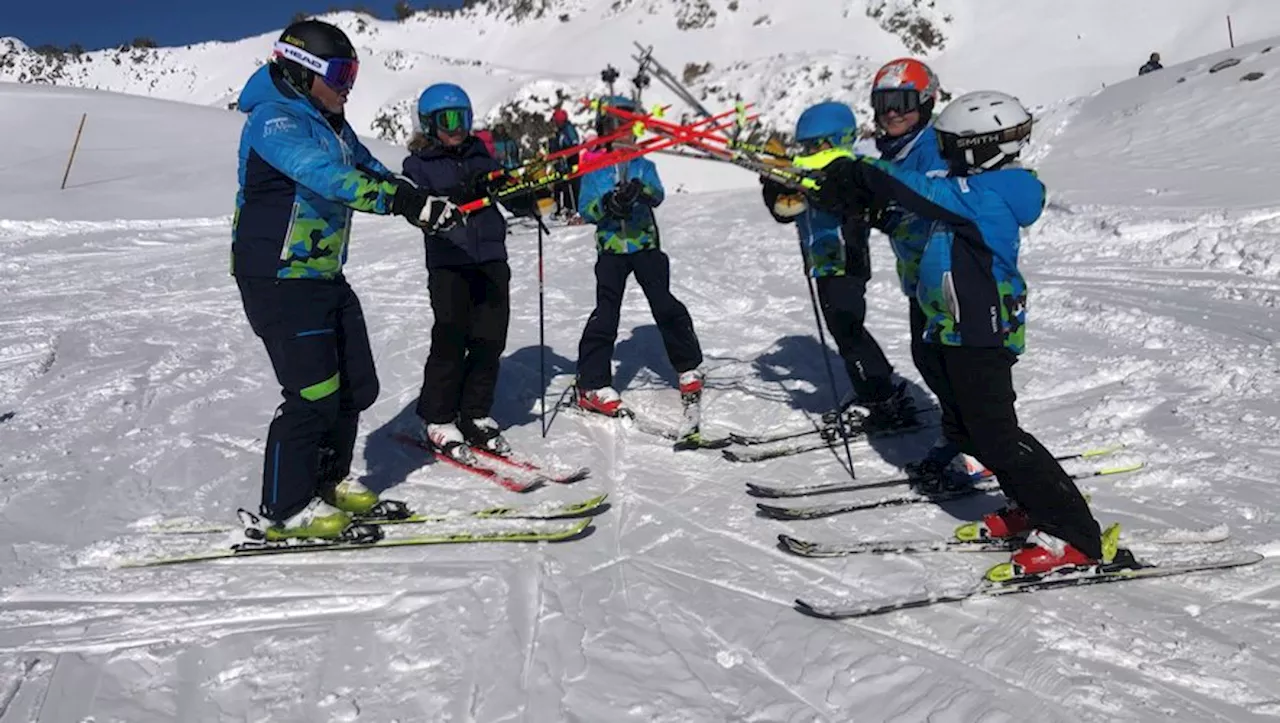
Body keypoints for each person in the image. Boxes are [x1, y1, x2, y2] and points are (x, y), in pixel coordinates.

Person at [809, 90, 1116, 578]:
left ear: (979, 147)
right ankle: (1029, 505)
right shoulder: (965, 187)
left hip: (981, 329)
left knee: (997, 435)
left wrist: (864, 173)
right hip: (948, 323)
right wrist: (865, 204)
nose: (944, 154)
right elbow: (915, 211)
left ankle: (1075, 534)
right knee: (967, 426)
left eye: (951, 146)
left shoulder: (992, 190)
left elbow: (923, 192)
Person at [232, 19, 452, 540]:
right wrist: (398, 201)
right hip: (279, 276)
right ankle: (285, 509)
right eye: (339, 74)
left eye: (352, 74)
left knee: (356, 385)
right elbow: (327, 176)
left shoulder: (332, 123)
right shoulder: (274, 121)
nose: (348, 85)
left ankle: (327, 481)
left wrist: (415, 198)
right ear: (303, 72)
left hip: (323, 274)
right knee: (312, 394)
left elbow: (368, 169)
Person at [759, 101, 913, 431]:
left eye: (816, 145)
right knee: (846, 330)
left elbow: (850, 201)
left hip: (845, 262)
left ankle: (879, 398)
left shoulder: (850, 169)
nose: (809, 151)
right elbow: (784, 212)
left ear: (837, 140)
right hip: (822, 264)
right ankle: (878, 390)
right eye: (805, 145)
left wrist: (808, 182)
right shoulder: (808, 170)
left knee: (848, 329)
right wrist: (773, 182)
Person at [403, 82, 533, 462]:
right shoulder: (418, 165)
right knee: (451, 337)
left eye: (461, 117)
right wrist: (463, 191)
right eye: (446, 119)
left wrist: (517, 191)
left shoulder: (483, 155)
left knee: (489, 338)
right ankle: (438, 417)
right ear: (428, 124)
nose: (456, 127)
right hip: (449, 261)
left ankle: (474, 411)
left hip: (491, 257)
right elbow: (421, 208)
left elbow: (509, 198)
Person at [573, 96, 704, 420]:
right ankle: (592, 382)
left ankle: (688, 366)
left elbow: (657, 194)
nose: (624, 135)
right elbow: (586, 209)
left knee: (664, 304)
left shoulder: (644, 163)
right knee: (606, 313)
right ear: (604, 130)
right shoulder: (595, 168)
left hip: (645, 246)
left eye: (630, 128)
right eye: (616, 127)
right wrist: (607, 203)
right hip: (612, 251)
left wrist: (639, 191)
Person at [549, 108, 582, 218]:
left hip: (571, 161)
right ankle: (565, 208)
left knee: (572, 185)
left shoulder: (568, 129)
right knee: (562, 186)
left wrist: (568, 155)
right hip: (562, 163)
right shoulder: (559, 132)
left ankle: (575, 208)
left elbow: (574, 145)